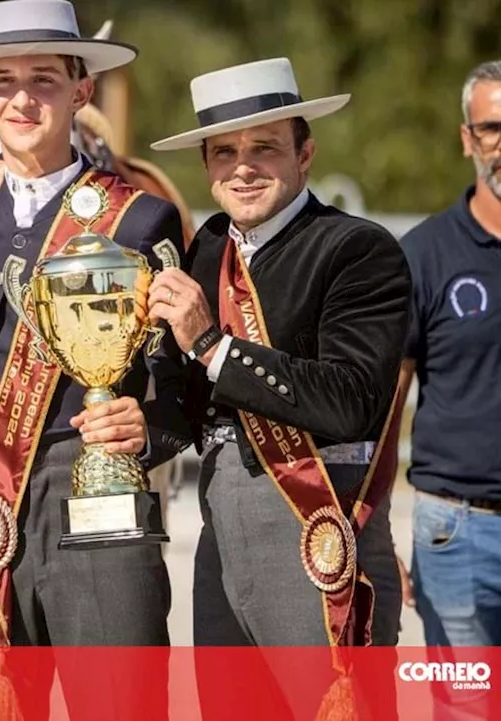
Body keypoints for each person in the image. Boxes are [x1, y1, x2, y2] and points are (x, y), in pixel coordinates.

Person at [0, 2, 191, 719]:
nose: (21, 98)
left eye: (43, 79)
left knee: (118, 700)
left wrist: (150, 426)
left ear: (82, 90)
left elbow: (182, 386)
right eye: (2, 80)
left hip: (95, 477)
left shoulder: (140, 217)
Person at [148, 57, 410, 719]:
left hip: (318, 524)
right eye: (225, 151)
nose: (243, 166)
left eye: (265, 147)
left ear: (306, 153)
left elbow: (351, 398)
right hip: (222, 531)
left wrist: (214, 345)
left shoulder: (356, 248)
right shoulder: (207, 247)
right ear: (206, 164)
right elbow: (189, 405)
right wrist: (131, 428)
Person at [398, 58, 501, 721]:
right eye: (493, 128)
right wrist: (368, 527)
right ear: (467, 138)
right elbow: (385, 400)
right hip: (456, 536)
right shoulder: (425, 253)